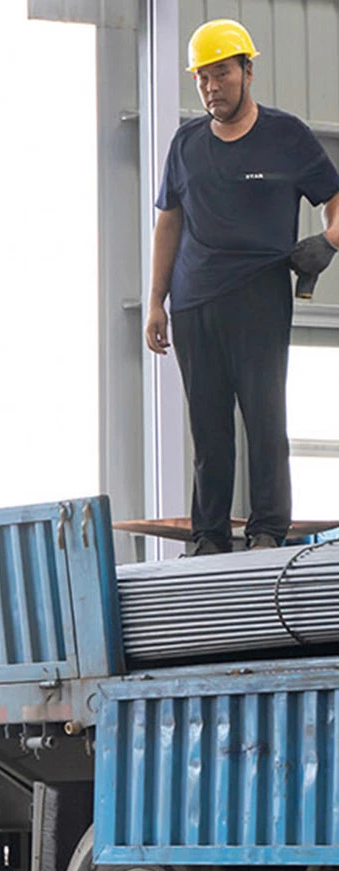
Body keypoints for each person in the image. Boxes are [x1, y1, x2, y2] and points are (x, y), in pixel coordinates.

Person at [145, 18, 339, 556]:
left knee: (264, 417)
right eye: (202, 78)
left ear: (247, 72)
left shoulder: (288, 137)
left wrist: (328, 241)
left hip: (259, 296)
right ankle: (207, 538)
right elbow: (169, 221)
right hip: (192, 302)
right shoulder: (186, 144)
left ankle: (267, 530)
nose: (211, 87)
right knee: (209, 430)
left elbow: (335, 198)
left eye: (222, 74)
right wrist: (156, 301)